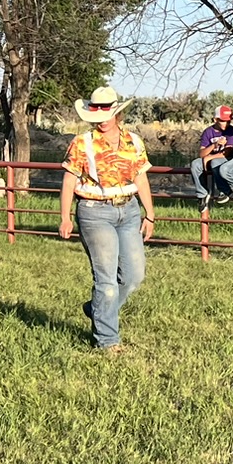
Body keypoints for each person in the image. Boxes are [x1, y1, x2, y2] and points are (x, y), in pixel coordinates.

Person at [57, 85, 156, 355]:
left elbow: (140, 177)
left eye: (105, 112)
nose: (100, 118)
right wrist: (65, 217)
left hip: (130, 209)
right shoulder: (81, 143)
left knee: (134, 276)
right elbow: (69, 180)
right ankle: (107, 340)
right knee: (107, 280)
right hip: (95, 211)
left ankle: (97, 309)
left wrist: (150, 213)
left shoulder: (133, 141)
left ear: (116, 113)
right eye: (96, 113)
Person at [190, 104, 233, 213]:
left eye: (228, 121)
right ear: (215, 119)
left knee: (215, 162)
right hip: (210, 158)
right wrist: (214, 146)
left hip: (225, 159)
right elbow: (202, 153)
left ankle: (224, 190)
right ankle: (202, 195)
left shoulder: (231, 131)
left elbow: (228, 152)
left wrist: (209, 157)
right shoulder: (208, 132)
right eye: (223, 121)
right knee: (195, 164)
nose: (226, 123)